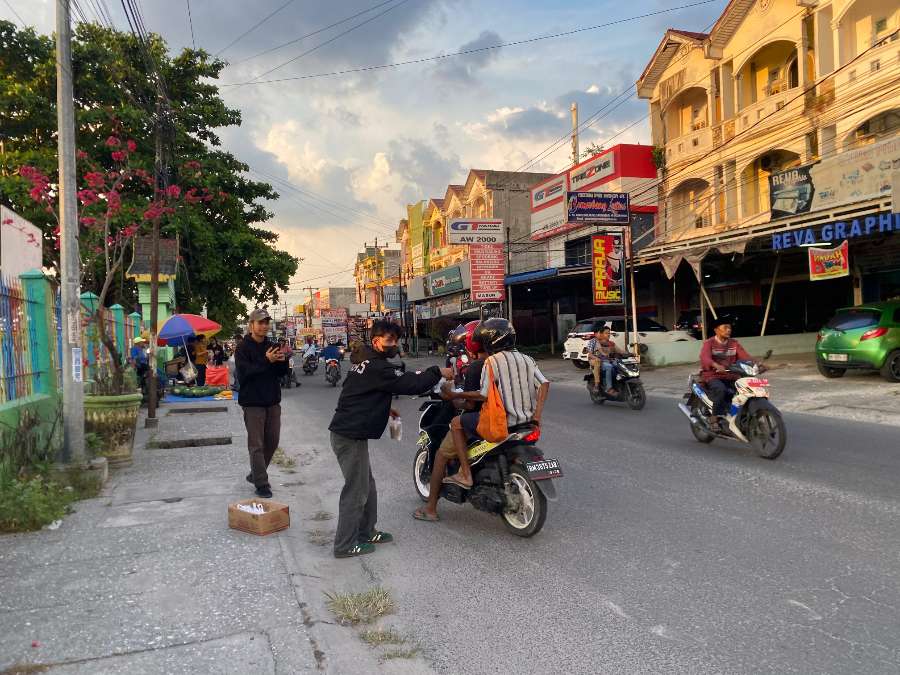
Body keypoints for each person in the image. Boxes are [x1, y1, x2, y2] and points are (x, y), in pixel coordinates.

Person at [328, 320, 452, 558]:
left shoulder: (365, 363)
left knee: (368, 486)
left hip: (353, 432)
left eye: (396, 339)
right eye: (389, 340)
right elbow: (411, 384)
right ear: (376, 341)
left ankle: (367, 531)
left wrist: (385, 409)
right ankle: (344, 544)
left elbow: (358, 394)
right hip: (348, 435)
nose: (394, 344)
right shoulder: (377, 367)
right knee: (356, 490)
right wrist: (437, 371)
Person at [442, 318, 550, 490]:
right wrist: (537, 415)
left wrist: (455, 394)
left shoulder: (491, 362)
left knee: (456, 424)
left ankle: (465, 474)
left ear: (491, 341)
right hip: (527, 422)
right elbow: (544, 384)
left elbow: (482, 395)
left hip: (501, 422)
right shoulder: (528, 359)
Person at [414, 321, 485, 522]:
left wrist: (451, 395)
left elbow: (470, 404)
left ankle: (431, 508)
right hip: (509, 419)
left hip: (479, 420)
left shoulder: (476, 367)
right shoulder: (503, 362)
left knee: (442, 452)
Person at [235, 309, 290, 499]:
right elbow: (244, 374)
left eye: (267, 322)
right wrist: (266, 360)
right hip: (253, 403)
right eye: (260, 322)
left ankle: (255, 473)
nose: (264, 326)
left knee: (273, 441)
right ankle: (261, 482)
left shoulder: (272, 345)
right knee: (256, 444)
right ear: (251, 325)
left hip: (272, 400)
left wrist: (282, 362)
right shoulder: (243, 347)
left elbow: (280, 374)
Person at [700, 316, 757, 432]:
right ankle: (714, 419)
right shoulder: (709, 343)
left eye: (730, 328)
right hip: (713, 375)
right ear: (716, 330)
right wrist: (716, 365)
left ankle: (738, 416)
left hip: (732, 375)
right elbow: (704, 357)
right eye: (725, 327)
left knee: (745, 390)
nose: (728, 330)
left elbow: (745, 356)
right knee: (721, 389)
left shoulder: (734, 343)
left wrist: (757, 364)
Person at [585, 325, 624, 396]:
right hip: (598, 361)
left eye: (609, 333)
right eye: (606, 333)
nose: (608, 334)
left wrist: (629, 353)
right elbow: (590, 354)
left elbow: (620, 351)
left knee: (618, 365)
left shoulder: (611, 343)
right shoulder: (594, 342)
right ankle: (607, 388)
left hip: (607, 360)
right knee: (608, 366)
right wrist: (601, 356)